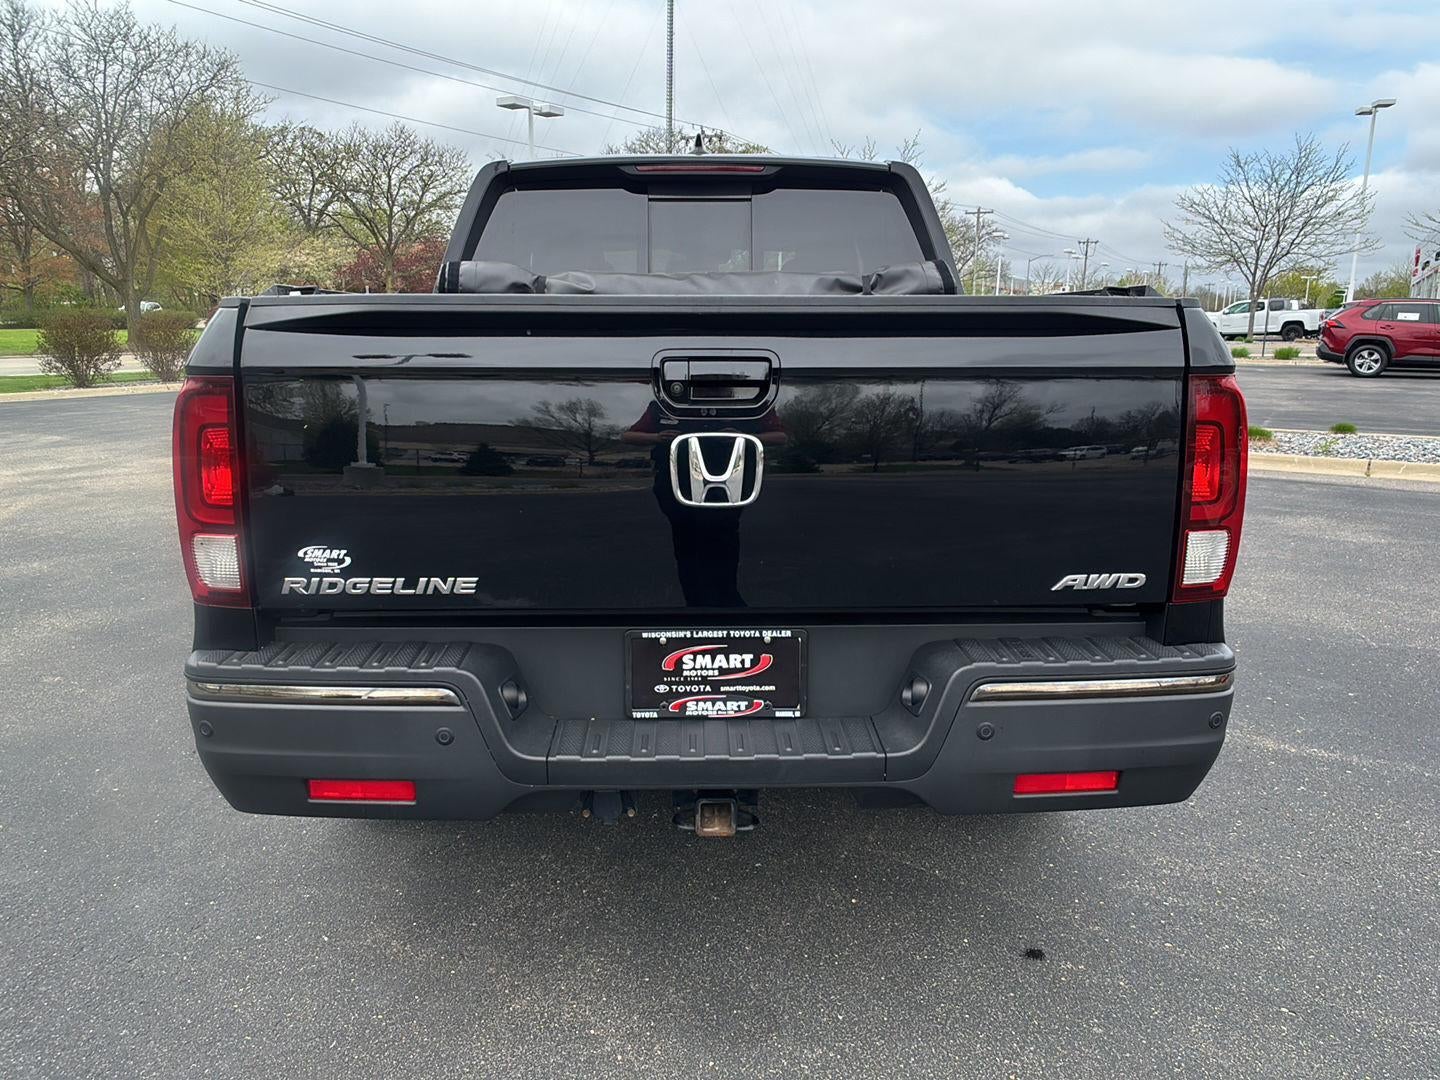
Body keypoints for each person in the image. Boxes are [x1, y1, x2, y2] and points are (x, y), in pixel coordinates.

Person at [622, 401, 786, 607]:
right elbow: (628, 436)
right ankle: (696, 601)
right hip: (675, 484)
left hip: (733, 484)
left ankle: (727, 599)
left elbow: (780, 436)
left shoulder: (754, 404)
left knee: (724, 540)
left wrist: (745, 438)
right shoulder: (663, 405)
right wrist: (657, 437)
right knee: (687, 543)